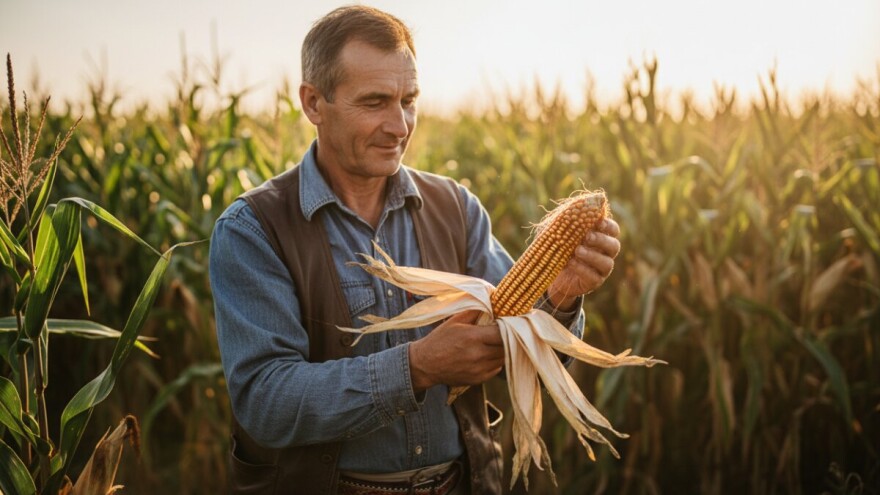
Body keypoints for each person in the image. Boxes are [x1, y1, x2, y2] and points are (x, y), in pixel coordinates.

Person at [209, 5, 621, 495]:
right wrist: (416, 367)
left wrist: (560, 296)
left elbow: (528, 355)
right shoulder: (254, 229)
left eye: (409, 101)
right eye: (375, 102)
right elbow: (266, 402)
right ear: (314, 103)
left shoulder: (456, 208)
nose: (400, 125)